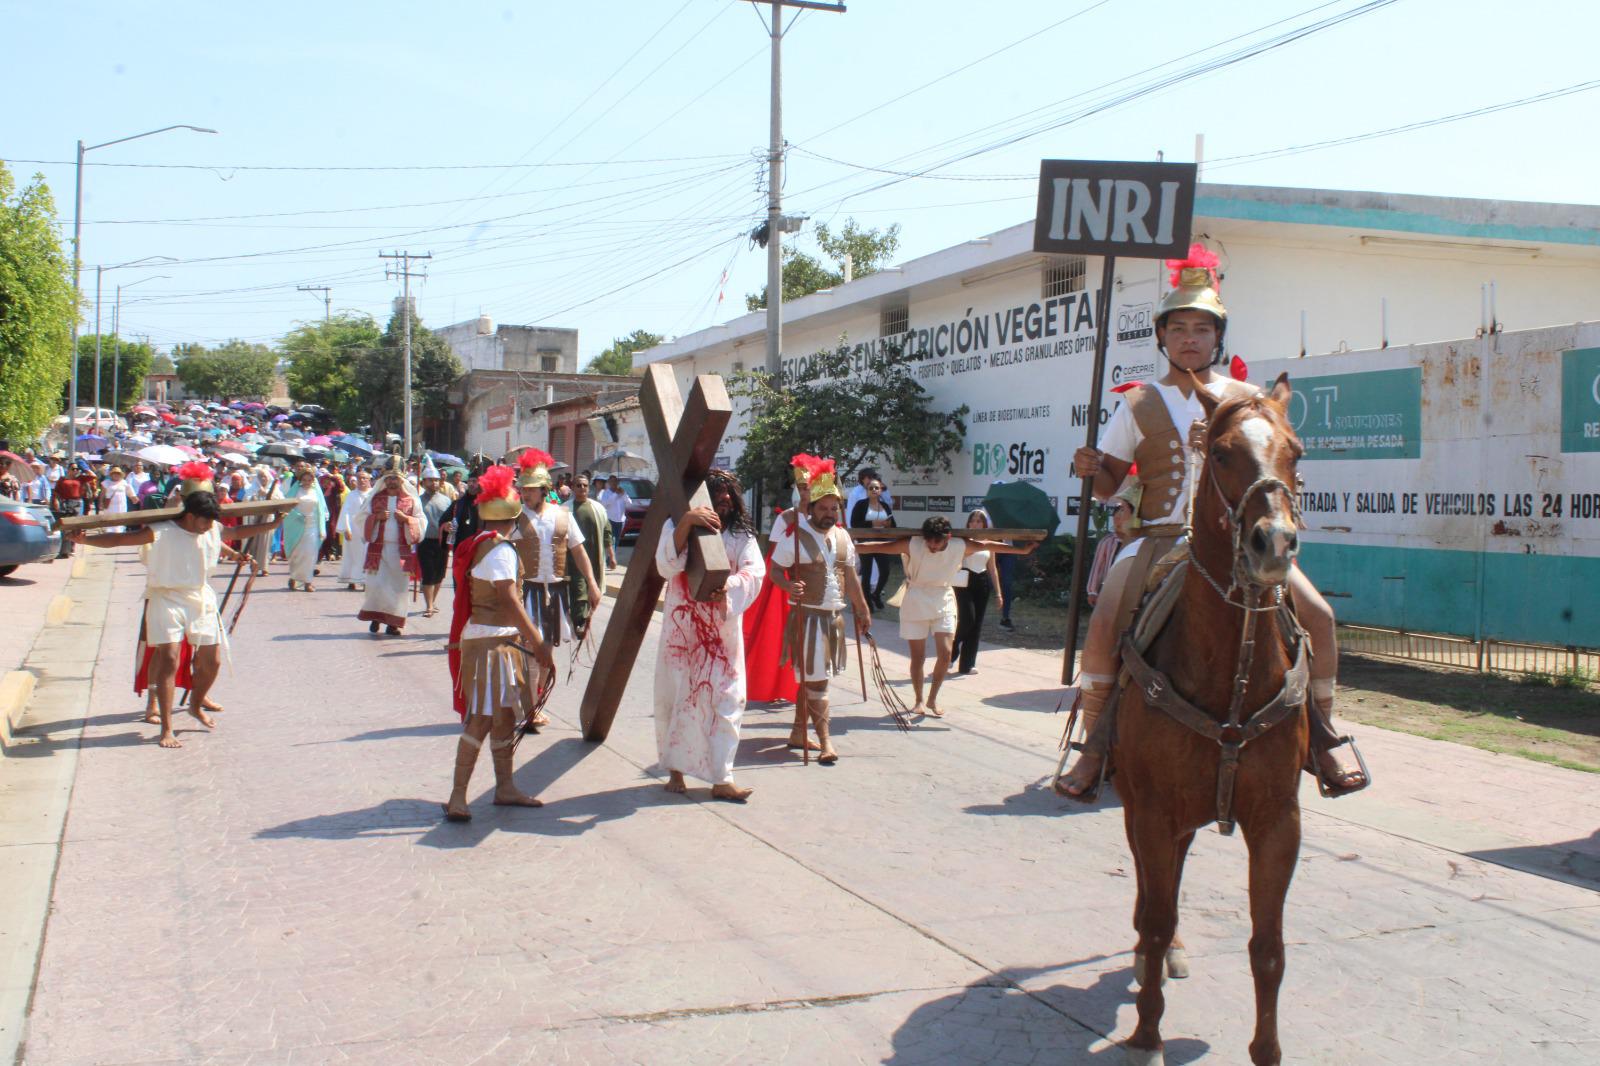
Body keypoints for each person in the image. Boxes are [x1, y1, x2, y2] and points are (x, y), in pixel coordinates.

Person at [1056, 244, 1368, 800]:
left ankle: (1321, 737)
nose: (1190, 339)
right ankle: (1096, 744)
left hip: (1239, 542)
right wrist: (1089, 468)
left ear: (1217, 338)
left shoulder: (1248, 398)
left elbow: (1274, 459)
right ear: (1161, 337)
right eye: (1179, 328)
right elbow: (1108, 485)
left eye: (1202, 328)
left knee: (1318, 615)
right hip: (1158, 539)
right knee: (1105, 623)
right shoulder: (1138, 403)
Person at [64, 462, 284, 749]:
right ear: (191, 516)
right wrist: (87, 541)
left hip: (201, 597)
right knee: (169, 657)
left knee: (212, 661)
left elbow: (236, 535)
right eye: (205, 522)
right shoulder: (162, 531)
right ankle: (166, 728)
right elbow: (120, 538)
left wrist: (273, 524)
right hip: (165, 597)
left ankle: (194, 704)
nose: (209, 528)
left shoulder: (211, 528)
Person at [443, 464, 555, 822]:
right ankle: (458, 796)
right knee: (481, 719)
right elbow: (509, 599)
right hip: (492, 644)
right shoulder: (502, 551)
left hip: (497, 641)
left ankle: (504, 787)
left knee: (504, 717)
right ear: (514, 516)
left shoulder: (480, 543)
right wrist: (538, 640)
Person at [655, 468, 766, 802]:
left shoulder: (741, 534)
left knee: (729, 700)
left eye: (730, 493)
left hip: (722, 635)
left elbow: (755, 572)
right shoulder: (677, 525)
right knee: (678, 699)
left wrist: (729, 587)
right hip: (683, 633)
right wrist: (686, 523)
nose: (725, 499)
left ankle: (722, 777)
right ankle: (676, 769)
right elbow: (666, 565)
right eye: (718, 493)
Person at [858, 516, 1033, 716]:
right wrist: (847, 545)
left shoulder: (959, 545)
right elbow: (879, 546)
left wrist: (1021, 550)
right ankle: (919, 700)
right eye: (929, 540)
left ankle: (932, 698)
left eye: (937, 541)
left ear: (947, 537)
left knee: (946, 653)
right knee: (918, 657)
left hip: (943, 598)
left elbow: (987, 544)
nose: (932, 545)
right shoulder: (914, 544)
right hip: (916, 598)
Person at [766, 457, 873, 764]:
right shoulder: (794, 539)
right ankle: (826, 742)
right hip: (807, 617)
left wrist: (863, 609)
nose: (829, 514)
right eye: (823, 508)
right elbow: (774, 571)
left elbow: (850, 576)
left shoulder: (842, 537)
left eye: (834, 508)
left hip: (834, 619)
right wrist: (789, 587)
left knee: (811, 678)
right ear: (811, 507)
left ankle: (800, 731)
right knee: (819, 681)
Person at [740, 454, 816, 711]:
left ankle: (805, 686)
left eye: (810, 487)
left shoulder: (826, 516)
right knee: (782, 635)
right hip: (786, 583)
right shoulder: (786, 518)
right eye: (803, 487)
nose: (807, 492)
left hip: (815, 583)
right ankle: (775, 685)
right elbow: (773, 554)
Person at [353, 456, 423, 636]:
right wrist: (375, 518)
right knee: (377, 586)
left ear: (402, 480)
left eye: (396, 479)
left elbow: (422, 521)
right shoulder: (375, 498)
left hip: (400, 553)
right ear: (384, 480)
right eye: (389, 478)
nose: (392, 482)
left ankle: (392, 624)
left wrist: (407, 519)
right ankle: (376, 618)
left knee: (397, 589)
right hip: (379, 550)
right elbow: (360, 519)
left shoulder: (411, 500)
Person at [951, 508, 1006, 676]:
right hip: (963, 581)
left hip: (981, 582)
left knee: (977, 624)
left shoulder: (989, 542)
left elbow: (993, 568)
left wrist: (998, 593)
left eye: (978, 521)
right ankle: (951, 651)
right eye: (972, 520)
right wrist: (973, 544)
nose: (975, 523)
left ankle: (967, 664)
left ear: (984, 524)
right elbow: (956, 561)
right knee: (967, 619)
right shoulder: (963, 540)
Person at [564, 473, 614, 635]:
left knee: (593, 587)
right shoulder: (564, 509)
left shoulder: (598, 508)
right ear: (572, 488)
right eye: (578, 485)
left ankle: (584, 617)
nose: (582, 488)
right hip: (573, 559)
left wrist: (611, 556)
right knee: (579, 589)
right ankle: (580, 621)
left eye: (585, 485)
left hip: (594, 558)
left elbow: (607, 533)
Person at [1086, 486, 1139, 607]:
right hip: (1108, 589)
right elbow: (1098, 567)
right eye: (1116, 513)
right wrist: (1092, 591)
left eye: (1123, 511)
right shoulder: (1107, 542)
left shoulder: (1138, 542)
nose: (1118, 518)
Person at [280, 461, 328, 592]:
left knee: (310, 554)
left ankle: (308, 582)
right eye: (304, 479)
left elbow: (321, 510)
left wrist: (322, 527)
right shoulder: (295, 491)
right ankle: (294, 578)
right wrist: (297, 516)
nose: (307, 482)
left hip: (312, 526)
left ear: (313, 480)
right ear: (301, 479)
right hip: (297, 525)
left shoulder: (316, 492)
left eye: (309, 479)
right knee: (297, 553)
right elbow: (287, 507)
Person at [849, 476, 896, 610]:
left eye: (877, 488)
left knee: (885, 571)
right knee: (867, 573)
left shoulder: (885, 506)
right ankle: (867, 601)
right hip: (865, 543)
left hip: (882, 543)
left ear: (881, 490)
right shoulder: (861, 504)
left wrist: (888, 524)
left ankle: (875, 594)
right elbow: (854, 523)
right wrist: (872, 523)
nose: (874, 490)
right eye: (871, 488)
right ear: (867, 490)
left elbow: (893, 525)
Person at [416, 459, 452, 617]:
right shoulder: (417, 501)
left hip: (442, 541)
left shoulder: (446, 500)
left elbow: (452, 520)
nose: (434, 483)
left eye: (436, 480)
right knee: (428, 573)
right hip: (424, 541)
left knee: (439, 574)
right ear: (423, 482)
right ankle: (429, 605)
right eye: (430, 480)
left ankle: (433, 600)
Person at [597, 474, 629, 545]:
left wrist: (623, 494)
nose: (614, 483)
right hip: (611, 520)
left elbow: (629, 503)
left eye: (615, 481)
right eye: (612, 481)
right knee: (612, 541)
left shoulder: (622, 491)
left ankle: (612, 555)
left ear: (618, 482)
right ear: (609, 483)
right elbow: (604, 504)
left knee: (617, 540)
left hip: (620, 520)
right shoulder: (605, 493)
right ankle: (611, 555)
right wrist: (615, 494)